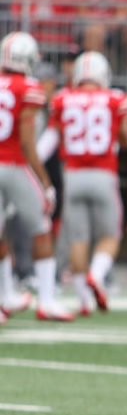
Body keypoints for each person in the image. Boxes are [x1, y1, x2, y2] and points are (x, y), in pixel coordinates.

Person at [40, 51, 127, 315]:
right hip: (104, 174)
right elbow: (126, 139)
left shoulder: (62, 98)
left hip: (73, 175)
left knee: (77, 238)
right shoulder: (114, 99)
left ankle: (83, 300)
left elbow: (52, 138)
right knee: (110, 235)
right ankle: (96, 274)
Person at [0, 32, 73, 322]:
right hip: (15, 166)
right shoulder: (28, 87)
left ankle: (4, 297)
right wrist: (45, 181)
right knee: (41, 227)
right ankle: (46, 300)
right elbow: (29, 143)